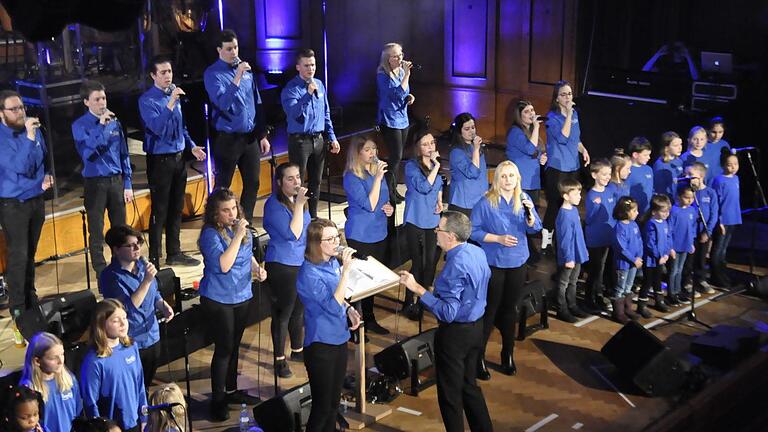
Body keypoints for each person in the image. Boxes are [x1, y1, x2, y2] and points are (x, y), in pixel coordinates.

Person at [399, 211, 493, 432]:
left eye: (438, 230)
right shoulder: (477, 252)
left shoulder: (454, 266)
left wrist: (418, 289)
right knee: (469, 386)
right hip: (476, 328)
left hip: (455, 335)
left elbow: (448, 312)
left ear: (450, 236)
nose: (435, 233)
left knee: (450, 395)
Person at [198, 188, 267, 421]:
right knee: (224, 348)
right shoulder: (210, 234)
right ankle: (218, 400)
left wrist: (256, 268)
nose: (231, 214)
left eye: (234, 208)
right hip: (219, 298)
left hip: (242, 294)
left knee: (235, 346)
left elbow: (246, 254)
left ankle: (232, 389)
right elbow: (224, 264)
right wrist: (237, 236)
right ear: (215, 214)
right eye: (225, 211)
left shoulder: (240, 230)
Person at [470, 161, 540, 379]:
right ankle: (478, 357)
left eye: (512, 176)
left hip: (518, 262)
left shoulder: (524, 199)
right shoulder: (486, 202)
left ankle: (507, 354)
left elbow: (536, 227)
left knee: (511, 310)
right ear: (497, 179)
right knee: (490, 310)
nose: (508, 180)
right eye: (504, 176)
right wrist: (497, 238)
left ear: (517, 178)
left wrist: (529, 215)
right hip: (495, 263)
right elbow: (473, 231)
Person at [139, 56, 206, 267]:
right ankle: (154, 258)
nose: (168, 76)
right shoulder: (147, 100)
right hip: (160, 160)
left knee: (177, 208)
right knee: (160, 209)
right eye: (163, 73)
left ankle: (174, 252)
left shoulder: (174, 97)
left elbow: (182, 127)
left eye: (169, 71)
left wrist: (191, 146)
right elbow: (157, 127)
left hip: (178, 158)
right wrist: (170, 103)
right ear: (153, 75)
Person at [296, 219, 362, 432]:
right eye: (330, 239)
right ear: (316, 243)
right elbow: (332, 306)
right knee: (322, 407)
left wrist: (349, 308)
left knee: (334, 404)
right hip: (321, 345)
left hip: (339, 338)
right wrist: (345, 273)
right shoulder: (309, 273)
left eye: (337, 237)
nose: (336, 242)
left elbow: (339, 299)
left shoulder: (332, 262)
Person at [203, 29, 271, 223]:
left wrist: (262, 134)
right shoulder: (213, 74)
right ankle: (216, 224)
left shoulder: (247, 72)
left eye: (235, 48)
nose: (234, 52)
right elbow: (223, 103)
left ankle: (245, 223)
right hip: (228, 139)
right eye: (229, 49)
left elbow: (256, 103)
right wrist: (237, 77)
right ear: (219, 50)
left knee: (253, 183)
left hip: (249, 138)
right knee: (224, 185)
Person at [100, 224, 175, 388]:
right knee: (133, 386)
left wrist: (162, 304)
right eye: (131, 245)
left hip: (152, 335)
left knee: (146, 384)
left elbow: (154, 292)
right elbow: (126, 307)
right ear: (116, 250)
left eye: (138, 244)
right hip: (132, 341)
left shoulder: (142, 265)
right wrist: (147, 280)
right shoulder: (110, 277)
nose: (137, 248)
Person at [0, 90, 53, 321]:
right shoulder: (2, 138)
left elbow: (43, 159)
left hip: (36, 200)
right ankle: (18, 305)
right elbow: (20, 165)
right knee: (19, 255)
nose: (20, 113)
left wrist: (48, 177)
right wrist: (30, 138)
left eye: (21, 107)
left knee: (31, 253)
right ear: (2, 114)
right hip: (14, 205)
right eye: (14, 109)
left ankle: (30, 296)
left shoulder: (34, 129)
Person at [72, 80, 133, 276]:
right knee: (96, 230)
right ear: (86, 102)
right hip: (95, 183)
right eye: (97, 99)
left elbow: (124, 153)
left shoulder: (114, 122)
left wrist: (128, 183)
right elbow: (88, 154)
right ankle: (100, 270)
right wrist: (100, 127)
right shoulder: (80, 126)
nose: (102, 103)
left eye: (104, 98)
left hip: (115, 181)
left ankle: (121, 264)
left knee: (121, 229)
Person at [342, 136, 394, 335]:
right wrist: (379, 178)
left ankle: (370, 319)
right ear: (357, 153)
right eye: (367, 150)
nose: (373, 154)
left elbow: (383, 199)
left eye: (374, 149)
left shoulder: (375, 173)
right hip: (361, 234)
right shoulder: (351, 177)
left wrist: (388, 208)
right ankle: (352, 322)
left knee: (372, 280)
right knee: (358, 281)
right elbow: (369, 204)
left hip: (378, 231)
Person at [281, 48, 340, 218]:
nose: (310, 69)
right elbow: (293, 113)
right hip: (300, 141)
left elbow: (325, 113)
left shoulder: (319, 84)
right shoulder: (291, 89)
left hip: (319, 139)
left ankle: (313, 216)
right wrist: (307, 95)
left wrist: (332, 137)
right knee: (297, 182)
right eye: (306, 65)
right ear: (298, 67)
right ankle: (296, 216)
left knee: (316, 180)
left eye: (313, 65)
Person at [263, 162, 310, 378]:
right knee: (284, 312)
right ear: (280, 182)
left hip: (301, 261)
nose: (296, 182)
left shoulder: (298, 201)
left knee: (299, 309)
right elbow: (294, 234)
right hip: (282, 264)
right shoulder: (273, 205)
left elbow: (307, 230)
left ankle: (298, 349)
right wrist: (299, 205)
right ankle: (279, 360)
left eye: (298, 177)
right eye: (290, 179)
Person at [80, 299, 147, 432]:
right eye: (116, 320)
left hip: (135, 423)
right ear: (101, 325)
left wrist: (144, 417)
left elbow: (140, 385)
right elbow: (90, 402)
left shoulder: (131, 347)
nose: (123, 324)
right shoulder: (94, 361)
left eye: (125, 318)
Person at [542, 80, 590, 252]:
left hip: (573, 166)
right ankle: (546, 241)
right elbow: (562, 138)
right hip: (557, 168)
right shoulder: (552, 118)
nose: (568, 97)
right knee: (555, 205)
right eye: (563, 94)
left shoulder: (575, 114)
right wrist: (568, 115)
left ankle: (561, 239)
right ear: (556, 99)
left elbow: (575, 138)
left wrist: (583, 149)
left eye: (569, 93)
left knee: (568, 205)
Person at [402, 127, 443, 320]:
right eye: (425, 144)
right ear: (417, 148)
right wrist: (435, 166)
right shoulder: (411, 166)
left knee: (431, 263)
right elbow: (425, 187)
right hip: (416, 219)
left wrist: (441, 200)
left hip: (432, 219)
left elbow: (438, 186)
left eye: (432, 143)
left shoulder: (434, 166)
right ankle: (409, 302)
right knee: (418, 264)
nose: (430, 147)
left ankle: (425, 299)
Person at [506, 100, 547, 260]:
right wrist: (537, 127)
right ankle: (528, 254)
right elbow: (530, 149)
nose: (531, 114)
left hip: (533, 181)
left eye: (532, 110)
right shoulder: (515, 132)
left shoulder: (531, 132)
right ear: (519, 116)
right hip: (521, 183)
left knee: (531, 218)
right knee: (522, 217)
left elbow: (538, 151)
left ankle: (527, 253)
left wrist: (543, 158)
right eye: (527, 112)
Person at [20, 332, 82, 432]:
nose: (61, 361)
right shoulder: (29, 389)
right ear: (37, 361)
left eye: (62, 354)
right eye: (53, 358)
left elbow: (78, 411)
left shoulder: (69, 379)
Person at [377, 42, 415, 203]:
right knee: (395, 156)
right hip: (389, 119)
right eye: (395, 56)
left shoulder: (400, 71)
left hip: (402, 117)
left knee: (398, 158)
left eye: (401, 54)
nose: (400, 58)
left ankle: (393, 190)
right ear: (387, 58)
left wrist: (409, 97)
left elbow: (404, 93)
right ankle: (388, 191)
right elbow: (396, 93)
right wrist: (407, 75)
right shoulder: (382, 75)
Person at [584, 159, 615, 313]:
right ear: (594, 175)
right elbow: (588, 220)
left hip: (607, 238)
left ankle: (598, 294)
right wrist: (596, 207)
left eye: (609, 174)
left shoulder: (609, 192)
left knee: (601, 270)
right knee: (595, 270)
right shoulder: (591, 195)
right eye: (604, 174)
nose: (607, 177)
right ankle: (589, 298)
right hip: (595, 240)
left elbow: (613, 214)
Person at [686, 163, 718, 294]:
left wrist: (708, 231)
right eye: (685, 175)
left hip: (703, 231)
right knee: (689, 259)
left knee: (701, 257)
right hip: (690, 233)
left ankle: (701, 279)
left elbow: (714, 213)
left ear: (701, 176)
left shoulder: (710, 193)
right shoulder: (687, 192)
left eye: (690, 175)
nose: (687, 178)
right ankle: (687, 281)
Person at [639, 195, 674, 317]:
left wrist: (667, 252)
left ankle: (659, 301)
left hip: (661, 259)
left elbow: (669, 237)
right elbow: (650, 243)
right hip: (651, 260)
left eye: (667, 211)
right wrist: (659, 255)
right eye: (663, 211)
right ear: (654, 211)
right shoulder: (651, 224)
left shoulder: (665, 223)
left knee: (658, 280)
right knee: (648, 282)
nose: (666, 214)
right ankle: (641, 306)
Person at [447, 112, 487, 218]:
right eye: (467, 129)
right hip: (463, 203)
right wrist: (476, 149)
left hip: (479, 200)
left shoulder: (477, 148)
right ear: (460, 131)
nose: (471, 131)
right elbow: (473, 172)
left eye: (473, 127)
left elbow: (482, 174)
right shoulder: (456, 152)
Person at [710, 154, 742, 287]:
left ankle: (723, 274)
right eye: (730, 164)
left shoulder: (736, 178)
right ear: (723, 165)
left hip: (733, 218)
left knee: (724, 249)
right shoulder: (719, 180)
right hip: (723, 220)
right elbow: (717, 201)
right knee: (718, 249)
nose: (733, 167)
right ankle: (716, 276)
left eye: (736, 164)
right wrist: (720, 221)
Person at [611, 197, 643, 323]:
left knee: (629, 286)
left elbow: (639, 241)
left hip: (634, 263)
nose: (637, 213)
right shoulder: (619, 228)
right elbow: (621, 248)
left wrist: (639, 256)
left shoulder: (634, 224)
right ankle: (618, 313)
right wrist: (633, 259)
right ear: (625, 212)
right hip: (623, 264)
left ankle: (628, 309)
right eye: (634, 211)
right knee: (620, 288)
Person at [667, 186, 697, 306]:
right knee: (673, 270)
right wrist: (670, 247)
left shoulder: (692, 211)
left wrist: (691, 243)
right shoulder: (674, 211)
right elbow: (669, 230)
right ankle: (671, 294)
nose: (690, 200)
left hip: (686, 245)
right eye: (686, 197)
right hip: (675, 246)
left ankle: (678, 291)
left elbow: (693, 227)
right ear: (679, 197)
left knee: (680, 270)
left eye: (692, 198)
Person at [625, 137, 654, 215]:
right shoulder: (627, 170)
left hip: (648, 212)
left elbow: (651, 189)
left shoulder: (649, 169)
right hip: (633, 214)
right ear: (635, 155)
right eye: (645, 155)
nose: (649, 157)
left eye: (649, 155)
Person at [652, 131, 684, 198]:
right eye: (676, 145)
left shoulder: (679, 161)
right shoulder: (660, 164)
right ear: (666, 148)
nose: (680, 148)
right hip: (667, 200)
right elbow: (659, 188)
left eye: (680, 144)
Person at [704, 116, 731, 181]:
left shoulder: (725, 144)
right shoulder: (702, 144)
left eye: (720, 132)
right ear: (707, 130)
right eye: (714, 132)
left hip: (720, 181)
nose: (717, 136)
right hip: (706, 182)